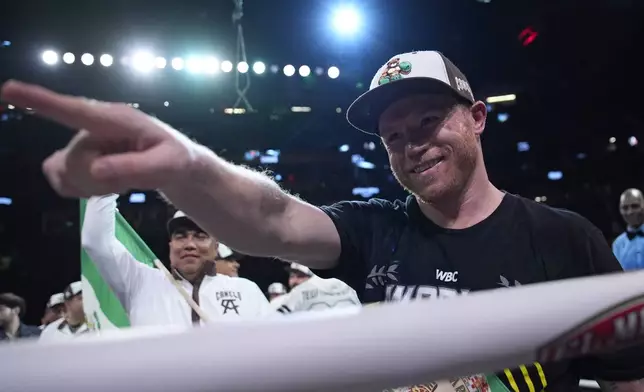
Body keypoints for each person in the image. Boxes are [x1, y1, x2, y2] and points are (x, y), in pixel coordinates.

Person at [3, 49, 644, 391]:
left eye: (428, 120)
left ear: (477, 118)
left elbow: (627, 381)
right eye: (393, 137)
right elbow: (275, 220)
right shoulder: (375, 229)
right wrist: (185, 167)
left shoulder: (563, 238)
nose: (411, 144)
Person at [80, 194, 270, 326]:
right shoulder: (139, 283)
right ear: (171, 245)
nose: (189, 244)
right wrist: (108, 181)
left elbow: (272, 352)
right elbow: (95, 241)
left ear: (216, 247)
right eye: (181, 236)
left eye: (200, 236)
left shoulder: (246, 291)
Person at [274, 263, 360, 314]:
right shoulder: (281, 301)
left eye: (300, 276)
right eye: (292, 276)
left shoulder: (302, 290)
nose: (294, 281)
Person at [612, 188, 644, 270]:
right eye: (625, 208)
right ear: (620, 210)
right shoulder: (617, 244)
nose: (630, 212)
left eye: (635, 206)